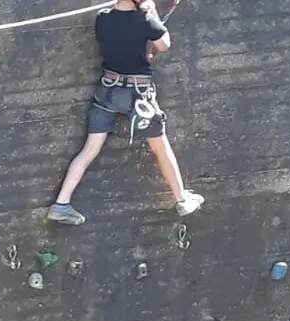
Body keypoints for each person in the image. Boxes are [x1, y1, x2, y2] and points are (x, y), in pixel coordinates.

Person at [48, 0, 204, 226]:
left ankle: (61, 203)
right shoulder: (145, 20)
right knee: (160, 147)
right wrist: (152, 14)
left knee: (90, 148)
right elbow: (164, 45)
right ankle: (181, 198)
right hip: (139, 95)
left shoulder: (102, 18)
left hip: (108, 90)